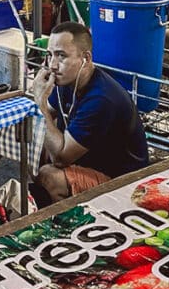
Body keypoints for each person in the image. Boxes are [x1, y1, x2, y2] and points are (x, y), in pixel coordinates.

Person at [30, 22, 149, 203]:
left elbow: (61, 158)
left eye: (61, 56)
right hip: (90, 162)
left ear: (85, 58)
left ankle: (67, 223)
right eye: (49, 55)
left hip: (123, 180)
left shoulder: (101, 99)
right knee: (35, 149)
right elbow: (46, 116)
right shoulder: (67, 80)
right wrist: (3, 136)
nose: (52, 65)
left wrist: (40, 102)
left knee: (49, 176)